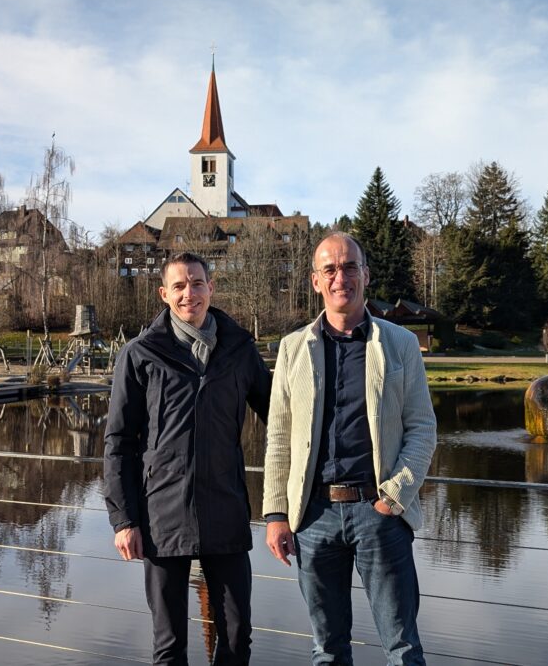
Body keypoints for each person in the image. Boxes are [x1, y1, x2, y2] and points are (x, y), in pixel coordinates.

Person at [262, 233, 437, 665]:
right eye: (330, 269)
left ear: (366, 275)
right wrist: (276, 514)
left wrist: (394, 496)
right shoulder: (291, 349)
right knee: (327, 650)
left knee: (403, 648)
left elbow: (422, 428)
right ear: (315, 281)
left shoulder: (400, 344)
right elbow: (279, 437)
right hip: (314, 517)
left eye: (350, 267)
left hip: (379, 514)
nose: (342, 277)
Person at [104, 252, 271, 665]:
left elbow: (282, 420)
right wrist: (124, 520)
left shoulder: (239, 350)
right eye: (179, 286)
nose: (189, 293)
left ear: (211, 289)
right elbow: (119, 443)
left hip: (226, 506)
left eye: (197, 284)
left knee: (236, 639)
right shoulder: (141, 355)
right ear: (164, 294)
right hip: (162, 514)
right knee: (169, 646)